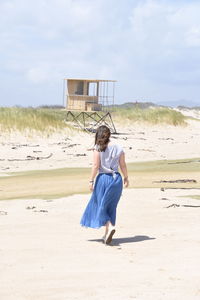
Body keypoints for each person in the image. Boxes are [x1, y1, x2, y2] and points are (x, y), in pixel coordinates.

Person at [80, 125, 129, 245]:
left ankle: (110, 226)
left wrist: (91, 180)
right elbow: (123, 165)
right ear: (109, 135)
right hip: (117, 179)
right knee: (110, 206)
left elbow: (96, 166)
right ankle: (107, 234)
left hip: (103, 179)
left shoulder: (98, 148)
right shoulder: (118, 147)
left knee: (99, 204)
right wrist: (126, 177)